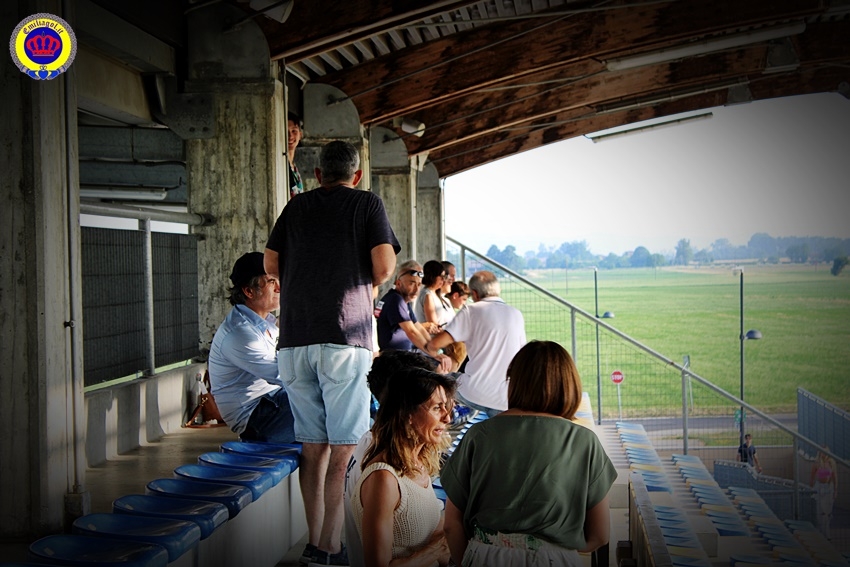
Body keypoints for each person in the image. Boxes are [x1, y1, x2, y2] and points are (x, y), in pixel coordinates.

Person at [265, 140, 400, 566]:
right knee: (343, 446)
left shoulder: (296, 208)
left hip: (294, 340)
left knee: (312, 446)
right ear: (356, 175)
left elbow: (271, 266)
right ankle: (330, 546)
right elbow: (384, 267)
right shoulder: (366, 203)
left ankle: (314, 541)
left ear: (318, 174)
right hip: (344, 336)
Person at [441, 341, 617, 566]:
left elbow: (451, 524)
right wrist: (555, 548)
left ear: (514, 382)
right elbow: (600, 535)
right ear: (569, 385)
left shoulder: (479, 435)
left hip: (485, 555)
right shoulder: (584, 441)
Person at [345, 351, 443, 567]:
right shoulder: (381, 464)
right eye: (432, 403)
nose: (445, 416)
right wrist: (441, 547)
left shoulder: (404, 452)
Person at [207, 252, 295, 443]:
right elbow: (284, 376)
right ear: (249, 291)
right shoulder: (240, 333)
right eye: (271, 281)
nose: (280, 287)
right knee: (330, 406)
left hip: (273, 401)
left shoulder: (266, 323)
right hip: (257, 417)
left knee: (338, 404)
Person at [425, 270, 526, 415]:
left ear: (475, 294)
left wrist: (438, 354)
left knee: (439, 378)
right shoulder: (516, 314)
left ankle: (453, 417)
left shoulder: (471, 310)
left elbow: (434, 344)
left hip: (474, 393)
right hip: (506, 397)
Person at [413, 260, 454, 328]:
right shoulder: (427, 295)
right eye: (441, 276)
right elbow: (433, 325)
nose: (443, 280)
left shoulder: (434, 293)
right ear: (433, 276)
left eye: (444, 277)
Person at [810, 447, 838, 539]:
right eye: (822, 452)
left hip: (828, 487)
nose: (824, 454)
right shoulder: (817, 463)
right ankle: (820, 530)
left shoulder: (831, 463)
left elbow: (835, 478)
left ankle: (826, 531)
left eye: (825, 452)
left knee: (827, 510)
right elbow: (812, 477)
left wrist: (835, 490)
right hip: (819, 487)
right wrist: (811, 489)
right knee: (820, 510)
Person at [287, 112, 304, 201]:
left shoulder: (294, 167)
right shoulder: (282, 165)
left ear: (300, 135)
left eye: (294, 131)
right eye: (286, 132)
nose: (290, 136)